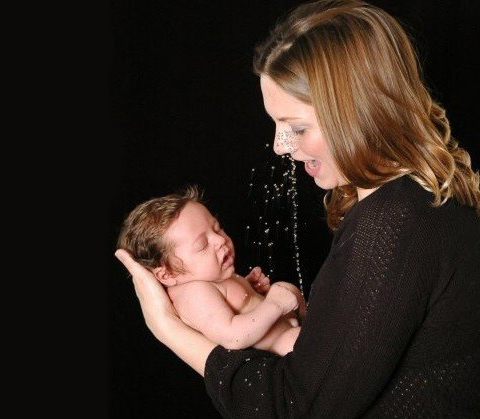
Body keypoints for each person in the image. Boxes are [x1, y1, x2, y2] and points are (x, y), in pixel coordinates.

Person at [115, 0, 480, 417]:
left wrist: (167, 328)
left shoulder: (393, 223)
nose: (279, 146)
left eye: (297, 127)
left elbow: (296, 407)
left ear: (358, 114)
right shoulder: (415, 204)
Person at [117, 186, 306, 356]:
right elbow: (233, 337)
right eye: (202, 245)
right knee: (299, 335)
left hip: (287, 326)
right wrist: (275, 304)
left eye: (217, 228)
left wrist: (251, 290)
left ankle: (310, 318)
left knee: (285, 288)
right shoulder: (193, 293)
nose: (220, 240)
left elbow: (235, 307)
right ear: (168, 274)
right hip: (281, 348)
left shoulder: (212, 277)